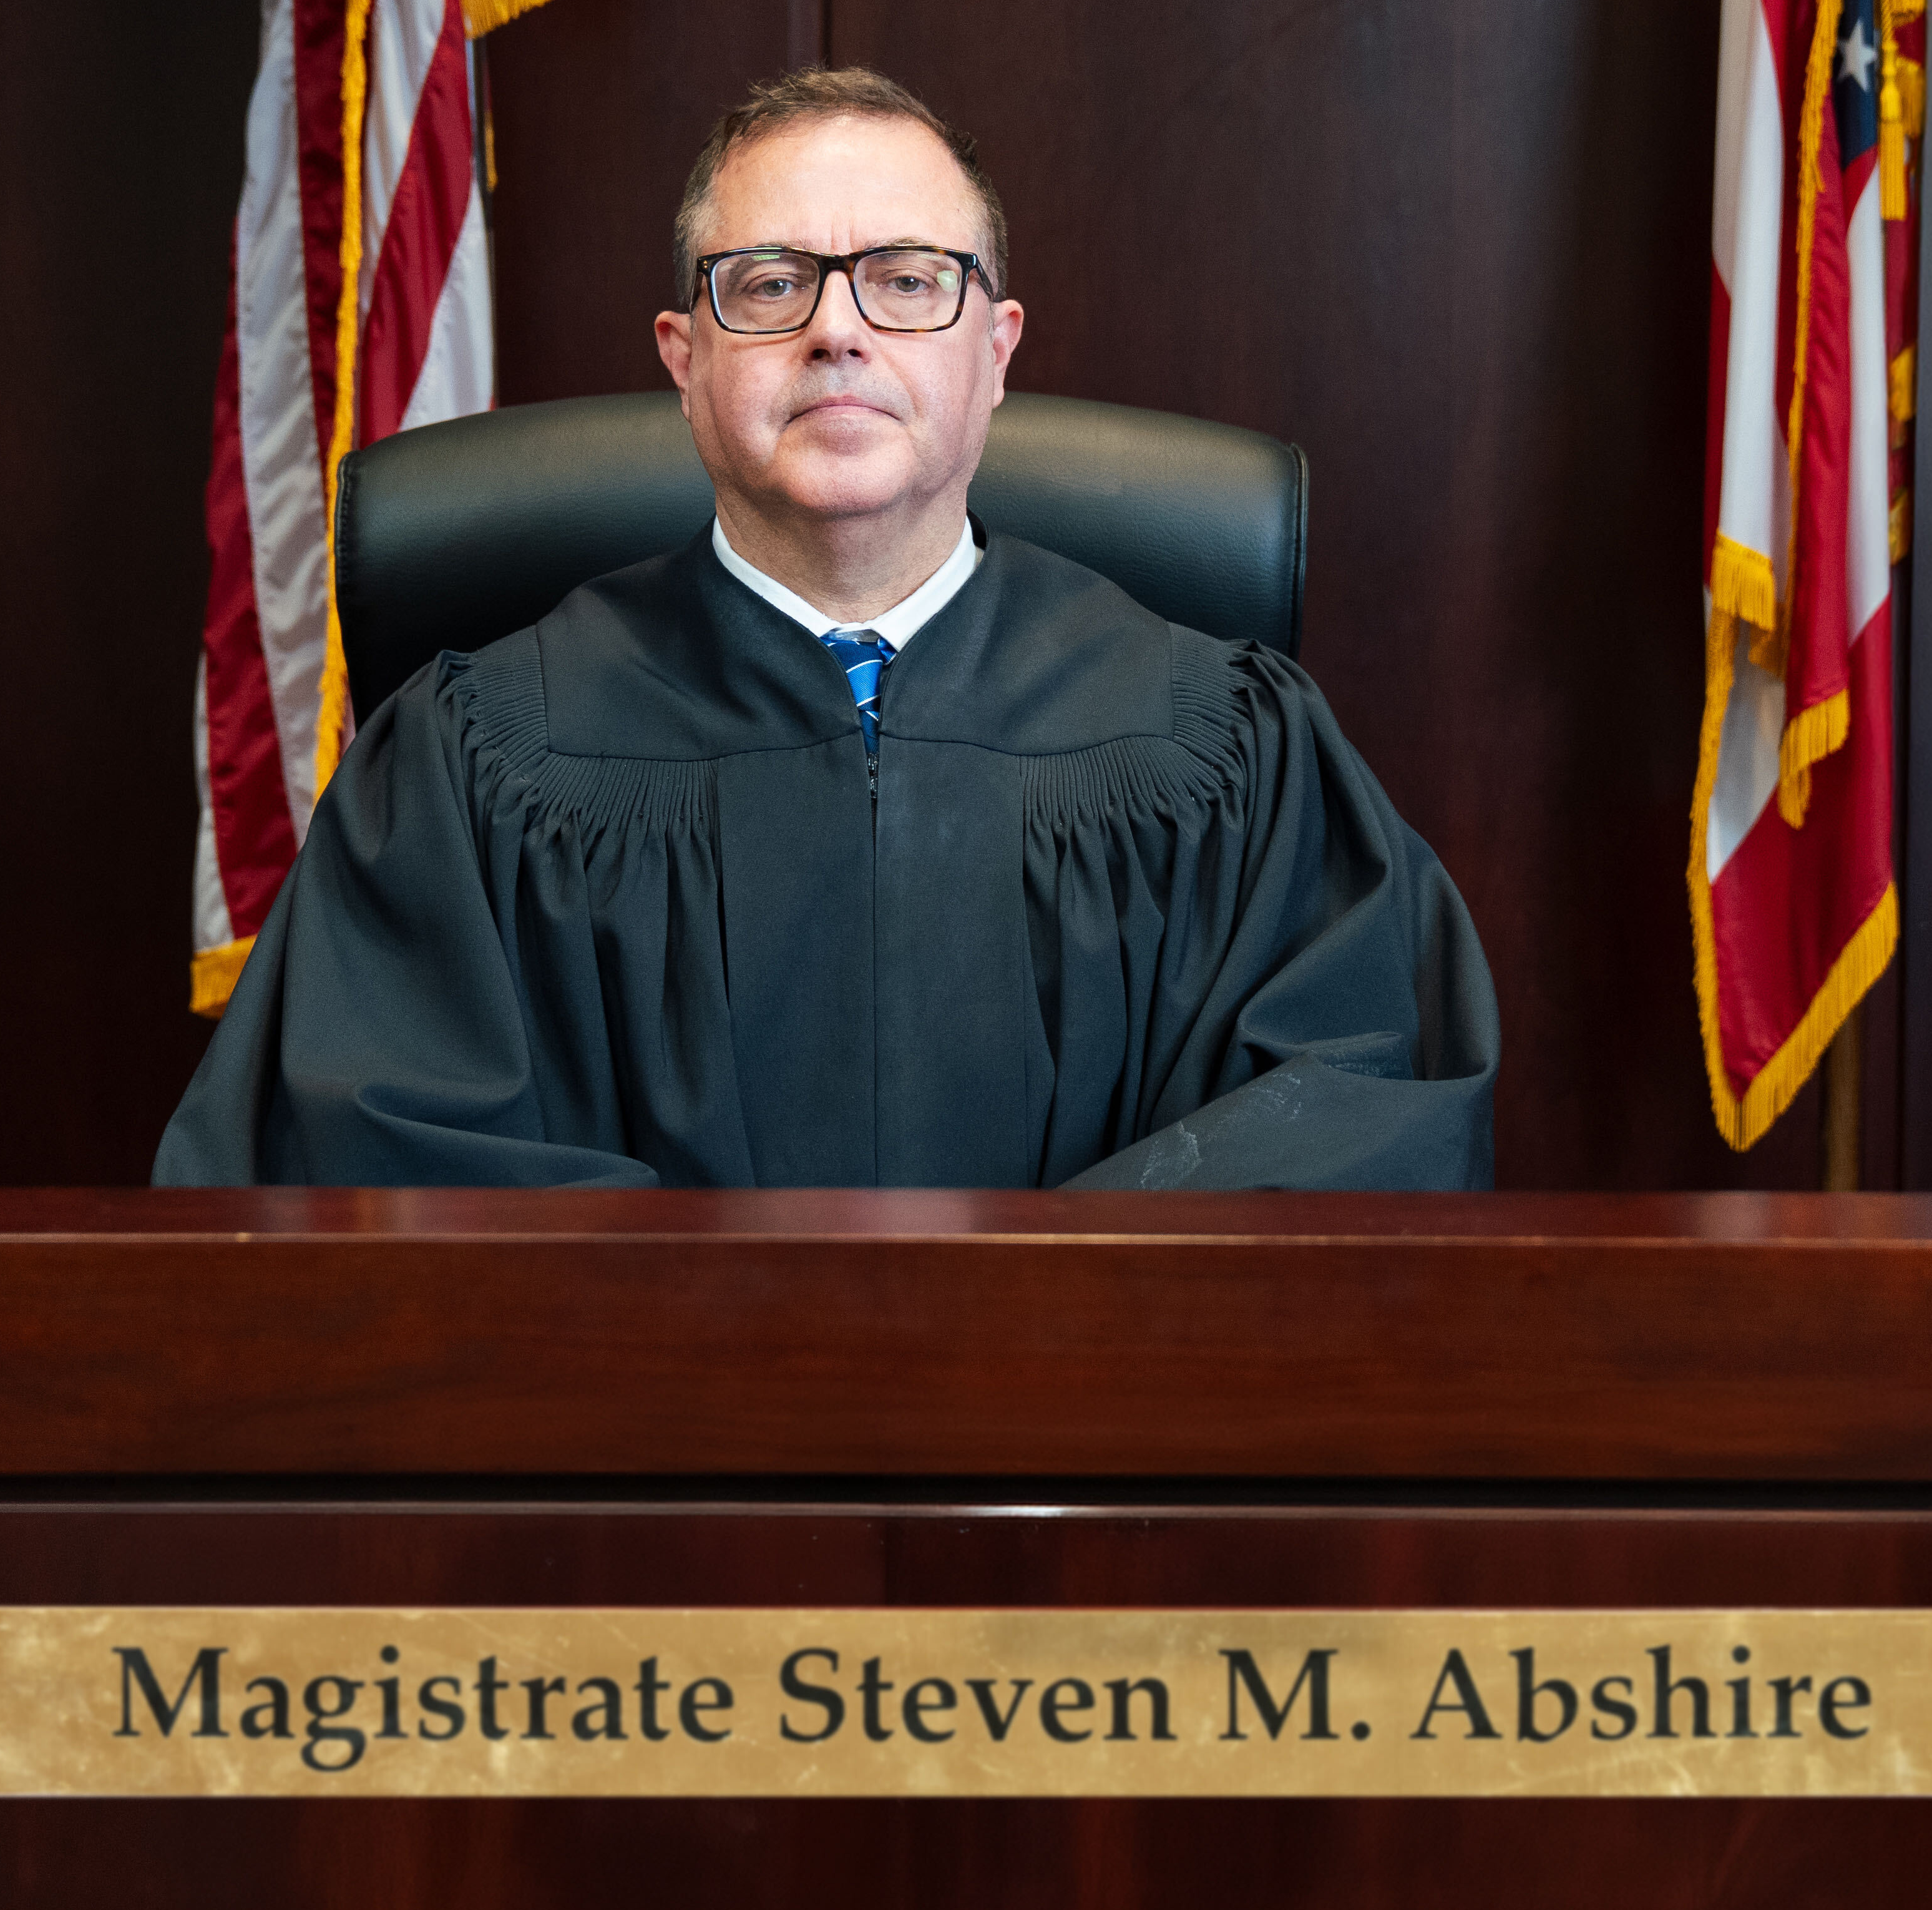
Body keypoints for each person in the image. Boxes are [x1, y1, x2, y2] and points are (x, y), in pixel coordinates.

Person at [154, 68, 1496, 1190]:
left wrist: (1017, 1324)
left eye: (908, 281)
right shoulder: (472, 763)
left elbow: (1359, 1112)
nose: (837, 330)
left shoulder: (1230, 750)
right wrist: (756, 1344)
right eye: (769, 283)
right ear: (685, 359)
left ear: (995, 350)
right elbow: (361, 1156)